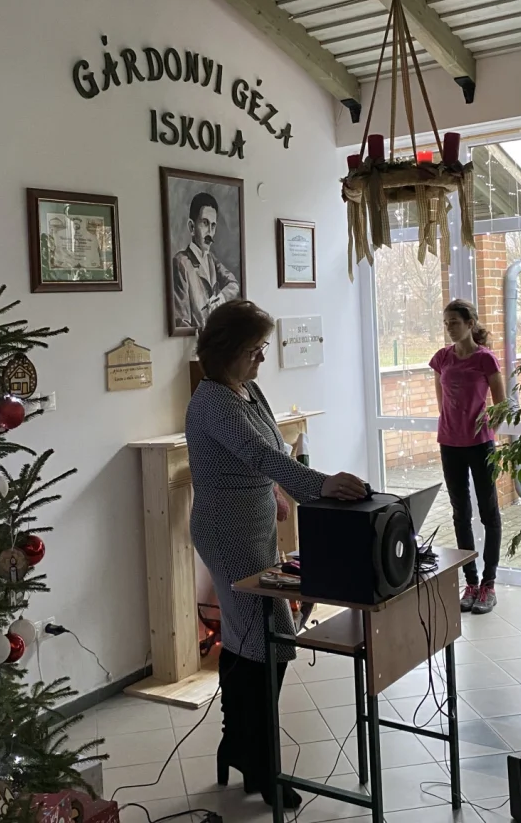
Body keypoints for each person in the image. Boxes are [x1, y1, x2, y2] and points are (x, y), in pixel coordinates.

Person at [186, 300, 366, 807]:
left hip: (255, 526)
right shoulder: (213, 400)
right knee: (266, 640)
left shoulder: (247, 388)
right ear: (227, 351)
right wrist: (320, 484)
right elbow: (257, 453)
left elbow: (270, 451)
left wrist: (279, 491)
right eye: (254, 349)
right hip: (227, 533)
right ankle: (259, 761)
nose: (262, 357)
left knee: (250, 640)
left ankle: (240, 746)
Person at [430, 299, 506, 615]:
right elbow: (441, 400)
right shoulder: (442, 358)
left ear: (470, 323)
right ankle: (470, 582)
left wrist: (486, 431)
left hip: (480, 445)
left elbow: (501, 404)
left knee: (488, 512)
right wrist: (452, 425)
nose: (449, 327)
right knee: (460, 512)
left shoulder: (485, 359)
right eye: (446, 322)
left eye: (455, 322)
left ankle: (489, 584)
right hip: (450, 444)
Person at [172, 192, 239, 330]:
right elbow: (181, 322)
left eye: (213, 226)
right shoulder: (181, 262)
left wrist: (221, 298)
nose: (210, 232)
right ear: (191, 227)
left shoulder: (211, 259)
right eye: (205, 223)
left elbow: (234, 284)